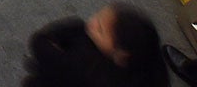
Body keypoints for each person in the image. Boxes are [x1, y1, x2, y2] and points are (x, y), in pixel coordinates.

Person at [21, 5, 167, 87]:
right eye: (98, 16)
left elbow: (40, 43)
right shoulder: (150, 62)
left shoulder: (82, 67)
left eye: (100, 30)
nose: (91, 22)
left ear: (120, 54)